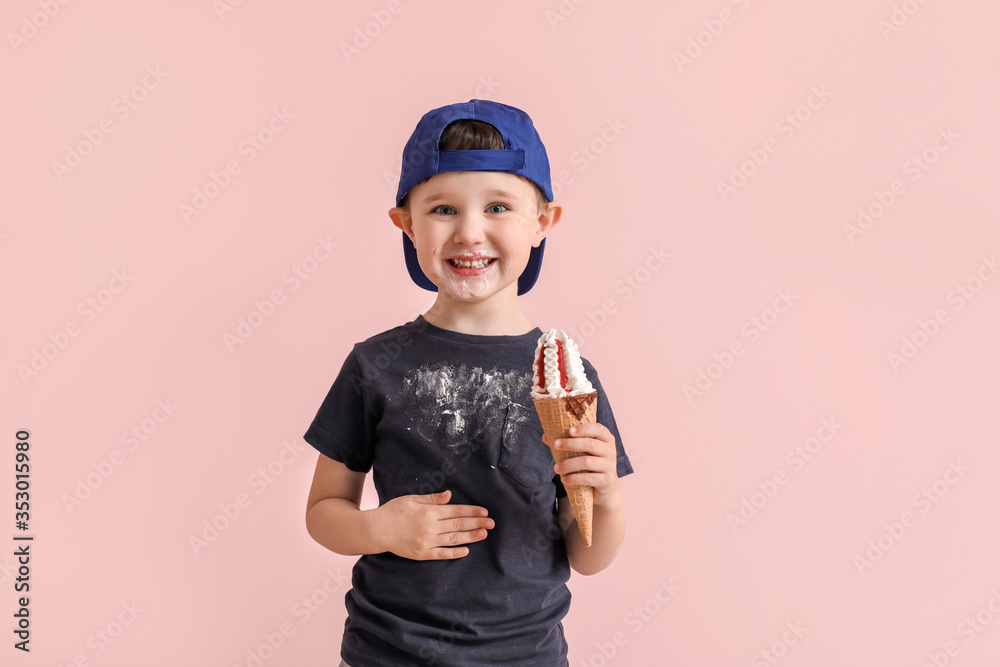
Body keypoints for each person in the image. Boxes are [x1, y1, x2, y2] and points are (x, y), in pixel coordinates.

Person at [303, 99, 634, 666]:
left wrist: (606, 495)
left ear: (543, 222)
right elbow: (323, 510)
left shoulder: (568, 377)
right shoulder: (375, 364)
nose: (470, 232)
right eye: (443, 209)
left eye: (499, 206)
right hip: (387, 652)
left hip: (525, 655)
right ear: (406, 224)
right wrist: (381, 528)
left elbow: (588, 555)